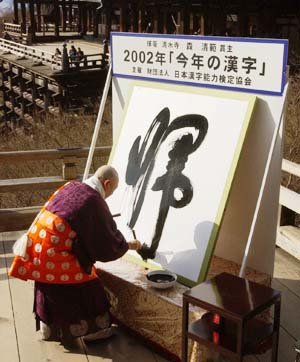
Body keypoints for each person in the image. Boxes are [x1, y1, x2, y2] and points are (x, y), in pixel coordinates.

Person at [9, 165, 142, 346]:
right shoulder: (93, 200)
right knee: (88, 281)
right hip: (55, 254)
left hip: (39, 245)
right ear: (107, 183)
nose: (112, 194)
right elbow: (105, 242)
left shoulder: (72, 186)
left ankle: (48, 327)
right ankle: (94, 332)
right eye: (114, 189)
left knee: (50, 286)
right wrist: (127, 245)